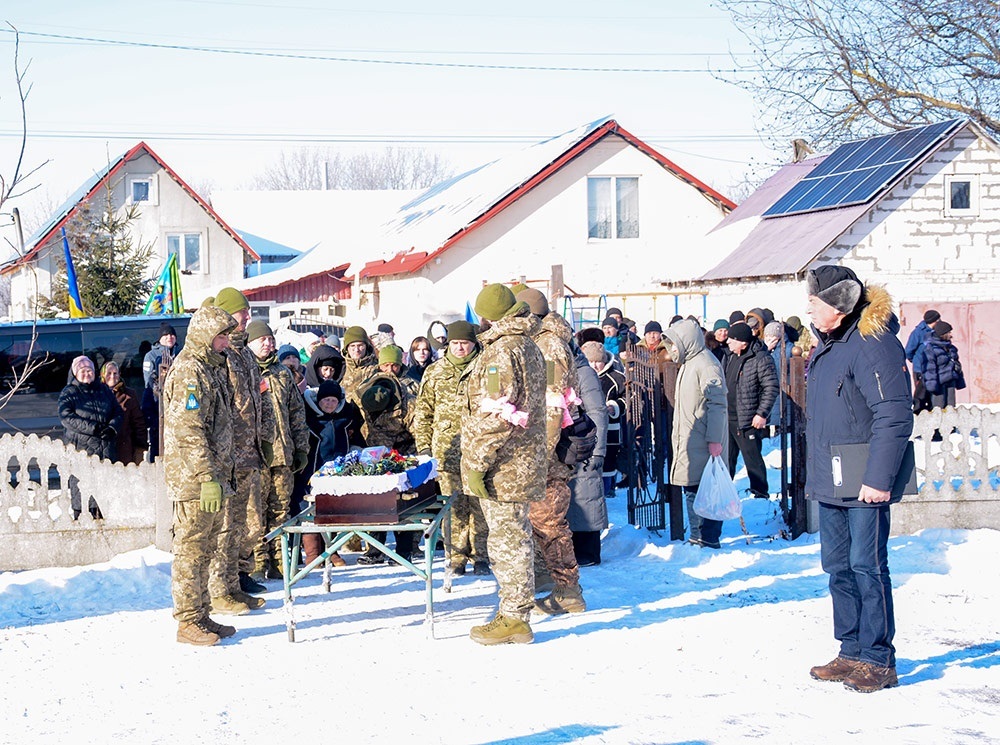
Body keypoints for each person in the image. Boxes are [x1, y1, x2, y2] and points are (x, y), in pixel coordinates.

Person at [803, 265, 912, 693]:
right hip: (832, 477)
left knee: (868, 567)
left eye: (813, 301)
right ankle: (851, 651)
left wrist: (879, 478)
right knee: (838, 567)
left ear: (839, 304)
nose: (807, 308)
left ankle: (879, 660)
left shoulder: (872, 344)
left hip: (865, 478)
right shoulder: (830, 346)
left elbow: (894, 413)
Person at [462, 283, 546, 645]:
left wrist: (478, 462)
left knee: (507, 539)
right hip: (519, 460)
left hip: (505, 464)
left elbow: (498, 414)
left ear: (487, 317)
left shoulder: (503, 351)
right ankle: (512, 609)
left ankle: (515, 618)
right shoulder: (526, 344)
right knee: (513, 535)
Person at [162, 304, 239, 646]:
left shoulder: (211, 367)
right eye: (221, 336)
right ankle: (188, 622)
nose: (225, 342)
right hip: (194, 480)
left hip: (213, 477)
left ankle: (202, 614)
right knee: (191, 550)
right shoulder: (190, 370)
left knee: (206, 548)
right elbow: (188, 429)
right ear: (206, 335)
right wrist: (208, 475)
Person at [514, 287, 587, 615]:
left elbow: (554, 405)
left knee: (549, 521)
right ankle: (555, 583)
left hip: (548, 453)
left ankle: (568, 590)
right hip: (539, 449)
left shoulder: (550, 346)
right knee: (542, 521)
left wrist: (539, 457)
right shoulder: (540, 342)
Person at [210, 288, 273, 610]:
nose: (247, 317)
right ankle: (221, 585)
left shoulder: (245, 353)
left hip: (249, 451)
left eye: (247, 312)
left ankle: (237, 579)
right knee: (225, 524)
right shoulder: (219, 355)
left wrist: (265, 438)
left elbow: (259, 400)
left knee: (245, 522)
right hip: (227, 454)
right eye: (241, 313)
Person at [413, 320, 490, 576]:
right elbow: (423, 413)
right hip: (446, 452)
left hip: (480, 452)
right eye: (455, 343)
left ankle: (481, 555)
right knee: (453, 508)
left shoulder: (487, 368)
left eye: (464, 343)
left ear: (473, 343)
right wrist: (424, 448)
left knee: (479, 506)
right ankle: (455, 556)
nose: (459, 348)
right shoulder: (435, 372)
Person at [246, 320, 310, 580]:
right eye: (262, 339)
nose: (268, 343)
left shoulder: (282, 373)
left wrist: (301, 448)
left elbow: (296, 413)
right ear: (250, 343)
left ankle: (280, 560)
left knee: (280, 510)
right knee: (255, 512)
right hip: (255, 456)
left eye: (270, 339)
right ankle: (258, 562)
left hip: (283, 454)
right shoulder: (244, 371)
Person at [660, 318, 728, 549]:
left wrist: (714, 439)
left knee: (704, 490)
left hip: (702, 439)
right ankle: (697, 536)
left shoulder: (706, 364)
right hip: (691, 439)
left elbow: (717, 403)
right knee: (692, 488)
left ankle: (707, 538)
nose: (673, 350)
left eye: (675, 344)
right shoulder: (690, 364)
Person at [355, 344, 419, 564]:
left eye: (394, 365)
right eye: (385, 365)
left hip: (403, 451)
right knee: (374, 501)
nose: (389, 369)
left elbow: (417, 425)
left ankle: (404, 550)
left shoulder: (409, 391)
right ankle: (374, 549)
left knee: (404, 501)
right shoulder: (367, 387)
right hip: (374, 452)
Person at [301, 380, 366, 565]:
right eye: (326, 400)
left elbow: (358, 440)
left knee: (333, 511)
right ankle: (313, 553)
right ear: (318, 401)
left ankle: (332, 550)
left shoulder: (345, 419)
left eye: (333, 401)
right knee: (310, 511)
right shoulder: (309, 418)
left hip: (337, 473)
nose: (329, 404)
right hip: (312, 471)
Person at [59, 355, 123, 520]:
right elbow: (67, 417)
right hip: (82, 451)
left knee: (104, 498)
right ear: (75, 373)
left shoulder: (104, 390)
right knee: (83, 496)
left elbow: (117, 411)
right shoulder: (69, 392)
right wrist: (94, 428)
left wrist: (112, 428)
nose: (87, 374)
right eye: (82, 371)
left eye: (89, 370)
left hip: (105, 450)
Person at [724, 321, 778, 500]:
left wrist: (762, 413)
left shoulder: (760, 358)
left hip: (748, 418)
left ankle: (760, 493)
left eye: (732, 339)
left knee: (752, 459)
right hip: (728, 417)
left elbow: (771, 387)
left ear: (743, 342)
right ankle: (724, 491)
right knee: (727, 459)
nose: (728, 342)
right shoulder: (729, 356)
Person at [567, 341, 609, 567]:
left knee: (587, 497)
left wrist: (598, 450)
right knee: (576, 498)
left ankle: (589, 552)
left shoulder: (584, 373)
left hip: (585, 443)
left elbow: (597, 412)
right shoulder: (562, 371)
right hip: (571, 446)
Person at [581, 341, 626, 499]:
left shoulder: (616, 378)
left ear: (604, 361)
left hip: (610, 430)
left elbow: (627, 398)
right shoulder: (581, 376)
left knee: (608, 462)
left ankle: (608, 488)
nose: (594, 365)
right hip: (586, 429)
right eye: (591, 361)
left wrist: (614, 407)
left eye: (598, 361)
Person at [141, 322, 178, 460]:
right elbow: (150, 382)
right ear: (160, 338)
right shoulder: (151, 356)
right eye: (166, 334)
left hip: (176, 406)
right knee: (157, 444)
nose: (170, 337)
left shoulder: (180, 354)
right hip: (157, 405)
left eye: (172, 334)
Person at [100, 361, 148, 465]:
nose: (112, 376)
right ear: (103, 375)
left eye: (115, 373)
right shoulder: (96, 393)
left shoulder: (129, 394)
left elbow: (138, 422)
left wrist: (140, 448)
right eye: (109, 373)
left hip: (124, 449)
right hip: (102, 449)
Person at [920, 321, 966, 410]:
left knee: (950, 409)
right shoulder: (931, 349)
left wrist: (959, 377)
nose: (951, 335)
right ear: (942, 334)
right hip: (938, 385)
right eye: (948, 332)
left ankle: (951, 424)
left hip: (951, 382)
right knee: (938, 409)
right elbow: (930, 369)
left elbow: (956, 363)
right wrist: (932, 386)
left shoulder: (951, 348)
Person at [906, 309, 941, 412]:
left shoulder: (937, 331)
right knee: (921, 395)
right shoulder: (918, 333)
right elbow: (909, 351)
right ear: (933, 320)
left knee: (933, 397)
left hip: (934, 370)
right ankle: (918, 414)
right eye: (938, 319)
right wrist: (917, 361)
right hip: (920, 369)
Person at [340, 326, 378, 406]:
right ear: (347, 348)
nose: (357, 350)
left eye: (360, 345)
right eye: (352, 346)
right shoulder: (340, 366)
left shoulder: (375, 368)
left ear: (366, 346)